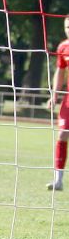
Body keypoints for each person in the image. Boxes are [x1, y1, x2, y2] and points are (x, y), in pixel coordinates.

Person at [45, 14, 69, 191]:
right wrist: (54, 95)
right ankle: (58, 180)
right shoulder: (63, 47)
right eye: (67, 28)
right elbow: (60, 72)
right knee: (62, 135)